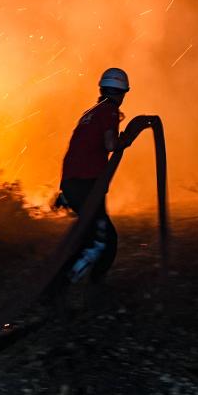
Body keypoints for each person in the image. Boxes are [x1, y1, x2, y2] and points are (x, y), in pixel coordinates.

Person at [54, 67, 130, 288]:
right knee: (103, 240)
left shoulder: (91, 112)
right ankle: (69, 286)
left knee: (90, 235)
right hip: (86, 184)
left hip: (72, 182)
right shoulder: (109, 111)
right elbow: (110, 144)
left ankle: (75, 283)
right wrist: (123, 141)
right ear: (122, 92)